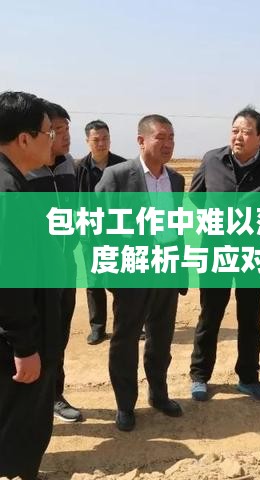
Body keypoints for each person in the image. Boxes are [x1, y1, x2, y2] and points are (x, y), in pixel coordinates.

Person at [189, 106, 260, 402]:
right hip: (215, 250)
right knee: (210, 315)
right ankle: (200, 375)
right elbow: (196, 196)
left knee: (250, 318)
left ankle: (248, 377)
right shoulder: (212, 159)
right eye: (235, 131)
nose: (238, 137)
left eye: (246, 132)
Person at [95, 114, 186, 431]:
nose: (168, 144)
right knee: (125, 340)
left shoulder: (176, 180)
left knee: (161, 339)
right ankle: (125, 405)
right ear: (141, 140)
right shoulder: (117, 176)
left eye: (171, 137)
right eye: (161, 137)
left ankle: (159, 394)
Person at [0, 91, 62, 480]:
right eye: (47, 132)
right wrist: (24, 347)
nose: (52, 140)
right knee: (18, 428)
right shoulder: (9, 190)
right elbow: (11, 281)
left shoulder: (13, 181)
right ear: (24, 139)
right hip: (16, 345)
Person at [26, 102, 83, 423]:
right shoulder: (22, 171)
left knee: (58, 335)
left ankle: (54, 395)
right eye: (58, 130)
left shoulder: (69, 166)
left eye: (67, 129)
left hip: (65, 265)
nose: (65, 136)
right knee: (29, 336)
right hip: (34, 271)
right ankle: (28, 402)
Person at [75, 119, 126, 345]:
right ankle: (97, 327)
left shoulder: (122, 167)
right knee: (94, 280)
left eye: (105, 138)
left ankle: (126, 324)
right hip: (90, 233)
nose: (101, 143)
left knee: (121, 282)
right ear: (88, 141)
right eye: (96, 140)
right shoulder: (79, 168)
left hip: (118, 233)